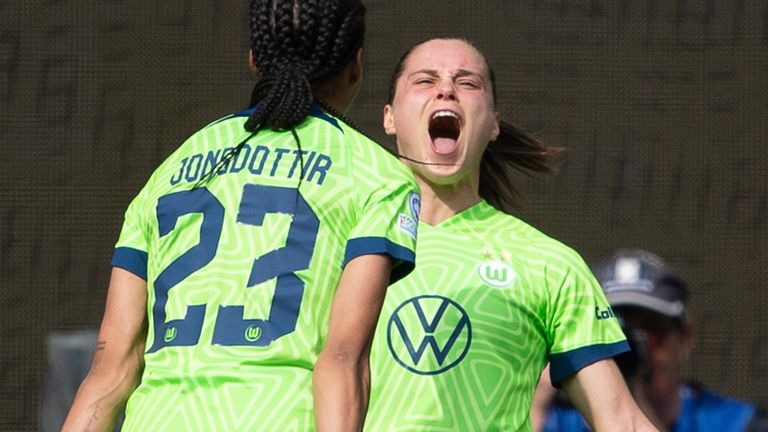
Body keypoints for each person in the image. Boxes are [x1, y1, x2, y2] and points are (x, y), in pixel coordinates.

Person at [61, 1, 421, 430]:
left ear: (254, 60)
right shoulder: (376, 174)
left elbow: (109, 369)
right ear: (356, 65)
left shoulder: (171, 169)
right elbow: (344, 357)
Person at [363, 37, 656, 431]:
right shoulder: (339, 242)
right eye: (425, 81)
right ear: (390, 117)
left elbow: (621, 420)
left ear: (494, 124)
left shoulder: (551, 265)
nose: (446, 89)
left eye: (467, 83)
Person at [538, 249, 768, 432]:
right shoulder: (556, 421)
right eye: (611, 333)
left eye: (652, 331)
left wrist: (633, 410)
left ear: (685, 339)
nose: (630, 347)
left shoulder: (737, 424)